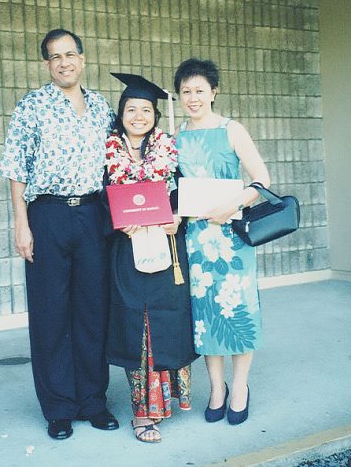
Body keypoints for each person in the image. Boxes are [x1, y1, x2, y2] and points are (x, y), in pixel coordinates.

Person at [0, 28, 119, 440]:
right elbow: (16, 166)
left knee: (92, 311)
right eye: (55, 56)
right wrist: (21, 223)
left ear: (82, 59)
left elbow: (120, 162)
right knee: (51, 314)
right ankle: (59, 407)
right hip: (47, 215)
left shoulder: (102, 108)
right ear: (47, 64)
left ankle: (93, 401)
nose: (64, 62)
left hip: (91, 216)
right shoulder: (32, 105)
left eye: (70, 54)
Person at [173, 58, 271, 425]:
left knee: (238, 311)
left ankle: (241, 386)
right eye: (186, 92)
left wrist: (233, 203)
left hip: (232, 237)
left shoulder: (232, 130)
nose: (193, 98)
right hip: (197, 239)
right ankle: (217, 388)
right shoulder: (176, 137)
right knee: (206, 316)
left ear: (213, 92)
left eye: (200, 90)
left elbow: (262, 178)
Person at [103, 73, 198, 444]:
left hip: (168, 248)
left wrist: (180, 218)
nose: (139, 115)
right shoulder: (106, 152)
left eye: (146, 109)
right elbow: (98, 200)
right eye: (131, 109)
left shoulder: (171, 151)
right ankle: (142, 413)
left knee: (167, 321)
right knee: (136, 326)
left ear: (156, 116)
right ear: (121, 114)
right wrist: (116, 224)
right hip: (126, 251)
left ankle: (168, 402)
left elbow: (190, 192)